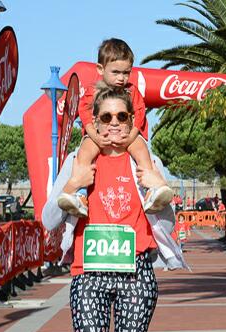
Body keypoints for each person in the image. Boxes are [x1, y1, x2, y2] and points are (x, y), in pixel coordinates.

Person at [42, 84, 187, 332]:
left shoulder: (146, 160)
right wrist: (73, 185)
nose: (113, 127)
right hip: (88, 272)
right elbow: (50, 219)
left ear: (133, 122)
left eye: (121, 118)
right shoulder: (78, 159)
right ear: (93, 123)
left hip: (136, 270)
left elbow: (169, 216)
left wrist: (155, 188)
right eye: (105, 119)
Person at [57, 38, 172, 218]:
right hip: (96, 135)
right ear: (100, 69)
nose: (121, 78)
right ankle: (80, 193)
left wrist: (131, 135)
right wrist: (94, 136)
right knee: (85, 151)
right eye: (116, 72)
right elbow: (85, 113)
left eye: (126, 73)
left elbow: (140, 114)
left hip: (130, 135)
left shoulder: (132, 91)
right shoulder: (92, 90)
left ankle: (152, 188)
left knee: (141, 149)